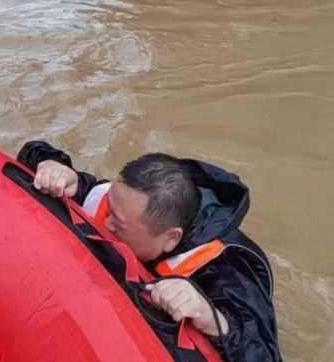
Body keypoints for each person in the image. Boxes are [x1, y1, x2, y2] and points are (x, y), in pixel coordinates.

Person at [19, 142, 280, 362]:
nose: (105, 221)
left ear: (170, 239)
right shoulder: (121, 203)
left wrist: (211, 319)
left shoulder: (230, 267)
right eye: (109, 206)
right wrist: (54, 167)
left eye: (117, 224)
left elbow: (262, 352)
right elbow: (35, 152)